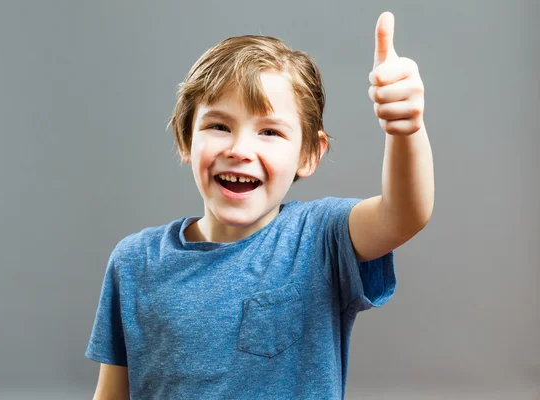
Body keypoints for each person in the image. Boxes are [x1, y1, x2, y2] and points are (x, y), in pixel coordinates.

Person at [85, 11, 434, 400]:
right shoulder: (134, 261)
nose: (239, 150)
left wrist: (407, 129)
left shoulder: (319, 238)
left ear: (308, 155)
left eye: (269, 132)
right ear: (186, 139)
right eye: (219, 126)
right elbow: (112, 392)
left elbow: (404, 214)